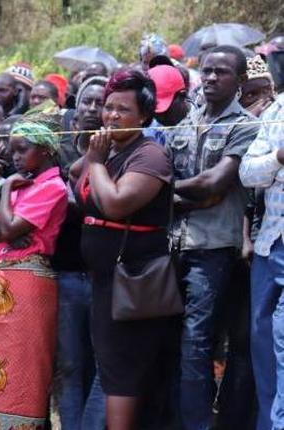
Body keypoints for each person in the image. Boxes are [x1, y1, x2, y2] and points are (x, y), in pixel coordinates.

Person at [71, 69, 180, 429]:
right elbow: (77, 177)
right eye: (108, 108)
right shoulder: (112, 151)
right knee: (112, 370)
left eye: (123, 110)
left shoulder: (150, 157)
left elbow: (116, 203)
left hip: (133, 284)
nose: (112, 116)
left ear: (145, 116)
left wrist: (98, 162)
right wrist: (94, 158)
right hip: (104, 282)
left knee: (123, 375)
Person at [166, 45, 260, 430]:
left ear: (240, 81)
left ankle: (198, 424)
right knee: (172, 340)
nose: (209, 78)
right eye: (205, 71)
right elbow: (194, 188)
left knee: (197, 342)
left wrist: (168, 191)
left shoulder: (246, 126)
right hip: (174, 245)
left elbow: (216, 182)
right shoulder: (187, 122)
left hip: (214, 249)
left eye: (221, 72)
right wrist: (184, 193)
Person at [0, 120, 68, 429]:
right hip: (4, 279)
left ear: (47, 149)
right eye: (13, 151)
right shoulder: (32, 184)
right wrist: (4, 233)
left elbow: (6, 229)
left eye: (23, 150)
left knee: (18, 363)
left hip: (25, 283)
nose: (16, 157)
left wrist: (6, 186)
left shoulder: (51, 186)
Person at [52, 76, 108, 430]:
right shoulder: (58, 151)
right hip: (67, 273)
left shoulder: (120, 149)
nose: (92, 108)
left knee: (106, 367)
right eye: (86, 101)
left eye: (100, 102)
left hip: (107, 275)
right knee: (70, 365)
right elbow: (64, 205)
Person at [240, 93, 284, 430]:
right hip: (272, 246)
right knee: (264, 343)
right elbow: (248, 173)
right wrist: (279, 158)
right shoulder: (279, 108)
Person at [145, 64, 191, 145]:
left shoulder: (201, 128)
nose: (159, 116)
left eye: (165, 110)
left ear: (182, 95)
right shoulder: (147, 128)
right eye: (154, 110)